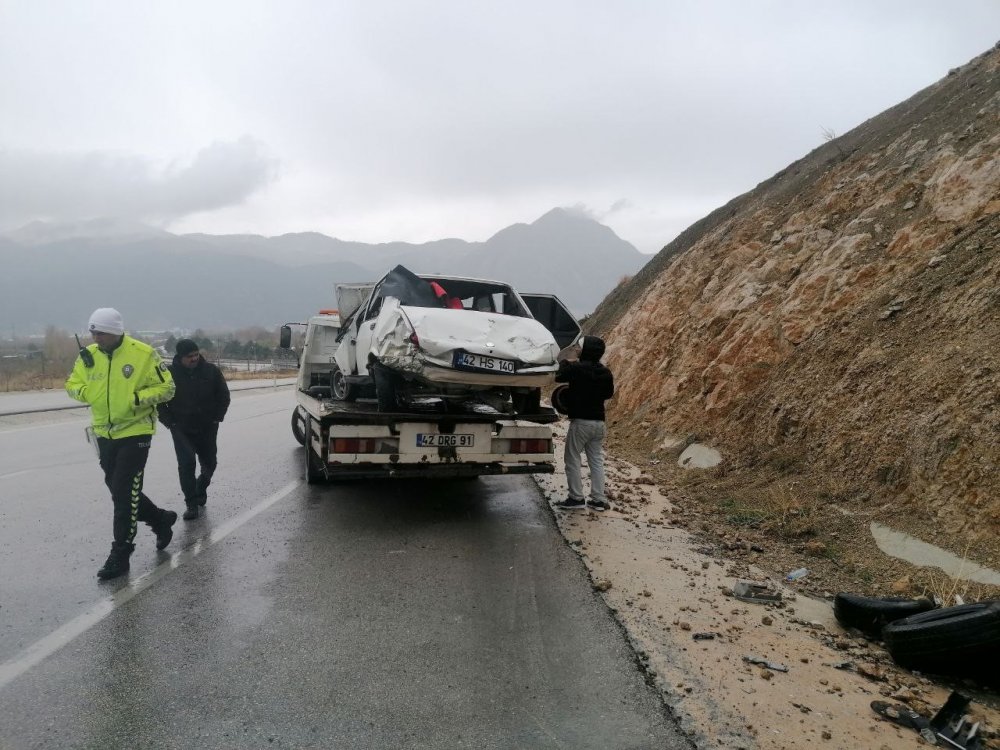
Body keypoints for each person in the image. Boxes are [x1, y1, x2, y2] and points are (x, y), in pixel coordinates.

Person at [65, 308, 178, 580]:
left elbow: (168, 388)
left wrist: (137, 399)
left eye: (101, 333)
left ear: (116, 332)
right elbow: (71, 385)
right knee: (119, 490)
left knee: (124, 493)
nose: (96, 338)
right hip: (104, 433)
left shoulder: (143, 354)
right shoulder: (88, 356)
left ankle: (121, 553)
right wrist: (87, 392)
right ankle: (160, 518)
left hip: (136, 432)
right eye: (93, 332)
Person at [157, 339, 230, 520]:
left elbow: (224, 395)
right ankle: (191, 505)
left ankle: (200, 487)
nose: (194, 358)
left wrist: (217, 417)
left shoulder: (211, 371)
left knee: (210, 463)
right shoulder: (168, 374)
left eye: (196, 354)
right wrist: (170, 423)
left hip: (207, 426)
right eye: (190, 356)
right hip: (181, 429)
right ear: (180, 357)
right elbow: (159, 401)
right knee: (186, 465)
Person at [553, 335, 615, 512]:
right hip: (599, 423)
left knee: (572, 459)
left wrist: (566, 361)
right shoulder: (606, 372)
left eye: (579, 347)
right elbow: (608, 394)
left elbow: (558, 376)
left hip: (581, 423)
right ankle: (598, 500)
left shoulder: (576, 368)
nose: (577, 350)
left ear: (586, 350)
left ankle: (576, 498)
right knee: (596, 461)